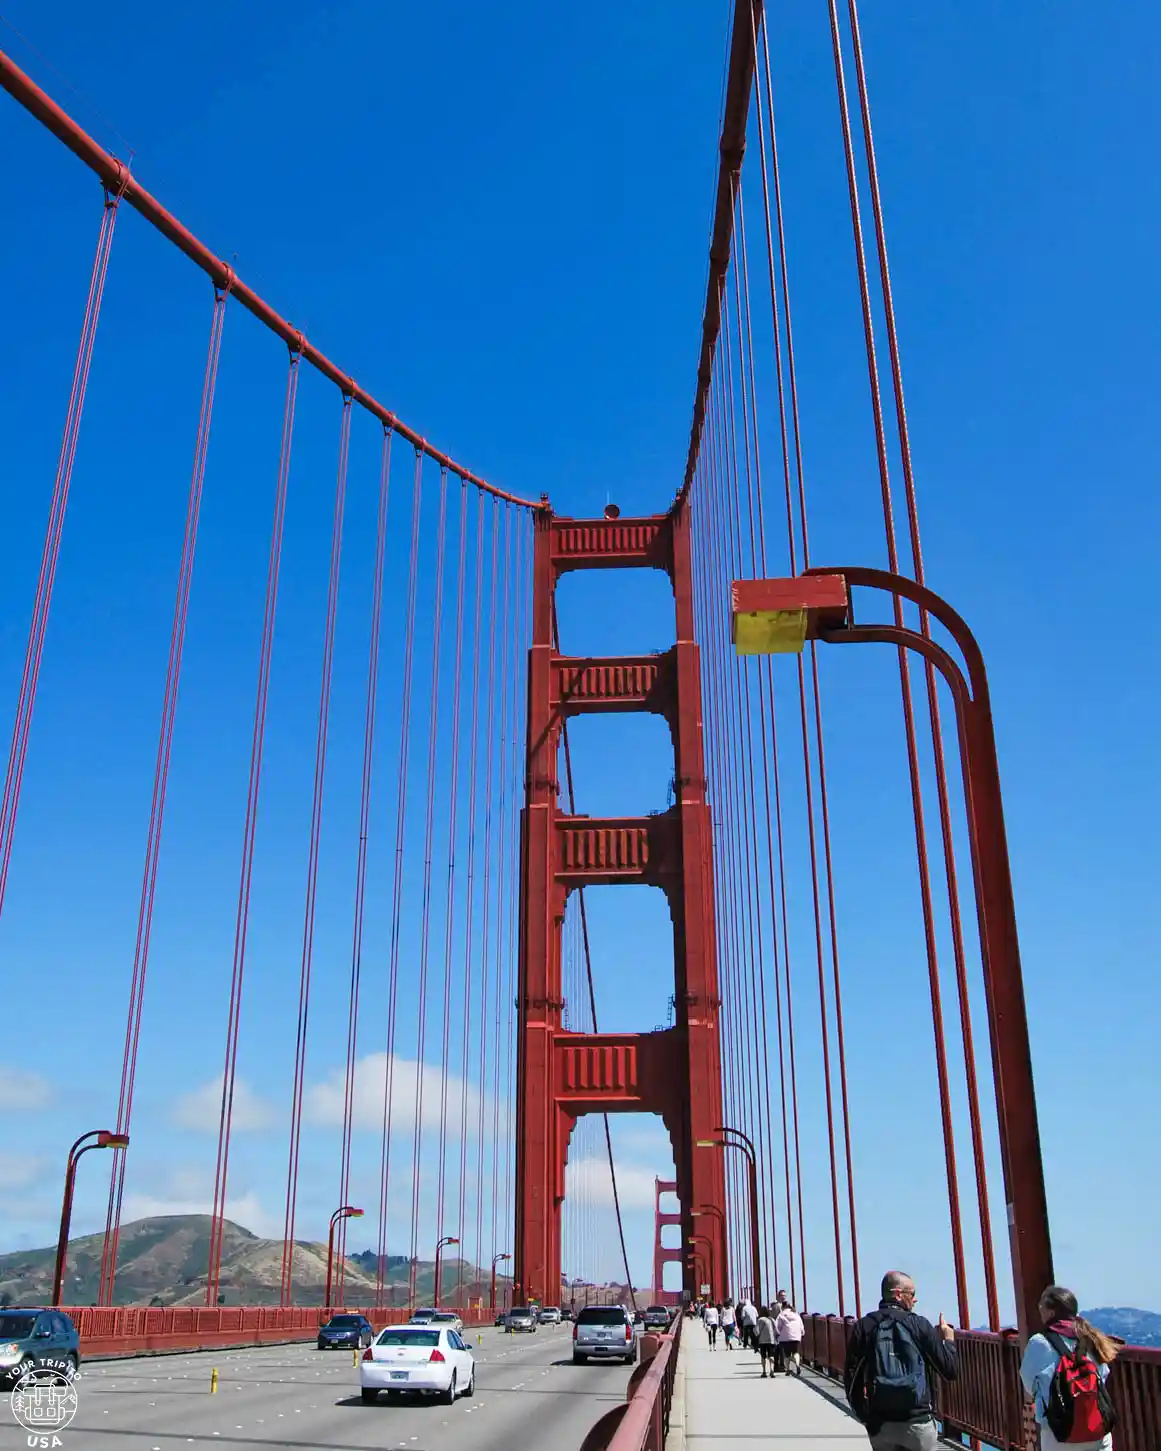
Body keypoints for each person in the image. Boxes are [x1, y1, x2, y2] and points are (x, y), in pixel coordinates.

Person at [843, 1270, 958, 1450]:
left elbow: (851, 1378)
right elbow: (950, 1370)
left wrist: (866, 1417)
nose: (915, 1299)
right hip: (918, 1421)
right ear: (898, 1294)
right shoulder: (919, 1325)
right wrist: (948, 1340)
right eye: (911, 1294)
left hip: (881, 1424)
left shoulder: (865, 1326)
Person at [1020, 1285, 1117, 1450]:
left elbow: (1029, 1382)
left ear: (1050, 1313)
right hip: (1097, 1430)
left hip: (1059, 1433)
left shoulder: (1040, 1342)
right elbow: (1103, 1375)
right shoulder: (1091, 1338)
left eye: (1041, 1308)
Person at [775, 1299, 805, 1375]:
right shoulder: (796, 1314)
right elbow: (801, 1325)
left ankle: (788, 1369)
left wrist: (777, 1334)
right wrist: (802, 1332)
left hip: (785, 1338)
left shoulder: (781, 1315)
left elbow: (777, 1327)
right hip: (796, 1337)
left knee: (787, 1354)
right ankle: (797, 1364)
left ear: (782, 1307)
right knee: (796, 1352)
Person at [755, 1305, 778, 1379]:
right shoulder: (771, 1319)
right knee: (771, 1355)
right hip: (771, 1340)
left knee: (763, 1356)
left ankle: (764, 1371)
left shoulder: (760, 1319)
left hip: (762, 1341)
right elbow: (777, 1330)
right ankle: (772, 1370)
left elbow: (756, 1331)